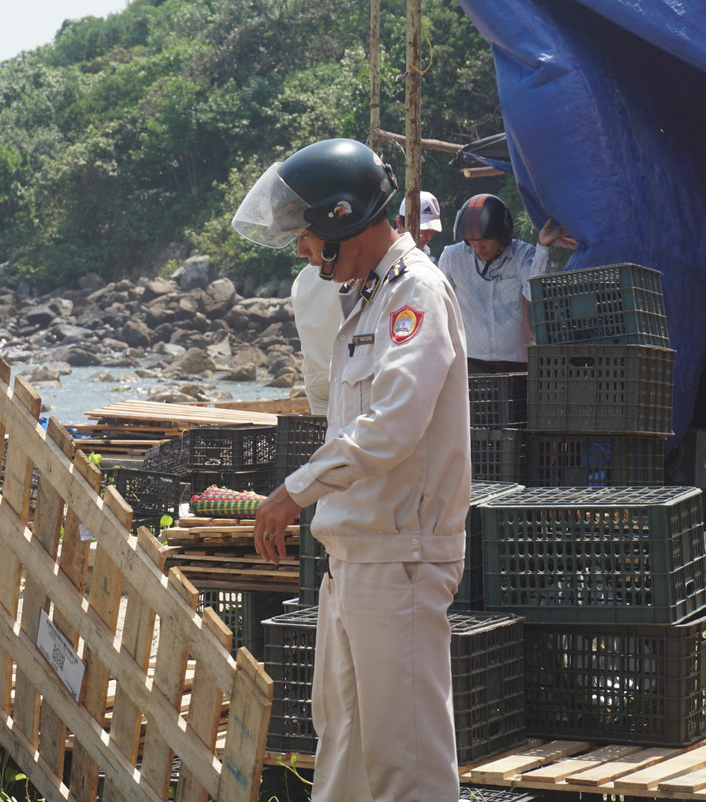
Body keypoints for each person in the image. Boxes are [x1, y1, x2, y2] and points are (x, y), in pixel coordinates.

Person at [232, 138, 471, 802]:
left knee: (407, 767)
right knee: (344, 762)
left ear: (340, 218)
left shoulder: (413, 292)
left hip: (399, 561)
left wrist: (294, 491)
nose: (301, 249)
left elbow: (393, 423)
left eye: (304, 233)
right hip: (355, 560)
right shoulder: (366, 298)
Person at [437, 193, 575, 373]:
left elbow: (537, 294)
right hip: (469, 361)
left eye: (485, 241)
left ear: (502, 236)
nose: (478, 248)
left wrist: (542, 248)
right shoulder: (452, 257)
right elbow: (439, 304)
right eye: (473, 242)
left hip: (515, 362)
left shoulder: (523, 254)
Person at [290, 261, 344, 416]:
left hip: (315, 377)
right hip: (347, 372)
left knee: (326, 436)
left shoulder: (302, 278)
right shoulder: (351, 268)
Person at [394, 189, 442, 261]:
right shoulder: (384, 254)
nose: (425, 237)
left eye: (430, 230)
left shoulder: (426, 254)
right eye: (419, 231)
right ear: (400, 223)